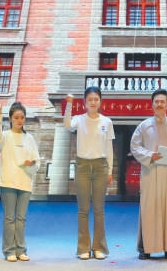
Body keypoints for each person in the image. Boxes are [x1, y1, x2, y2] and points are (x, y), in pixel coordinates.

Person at [130, 88, 167, 260]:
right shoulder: (144, 126)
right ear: (152, 104)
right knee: (149, 208)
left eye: (162, 101)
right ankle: (147, 248)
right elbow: (135, 146)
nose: (159, 104)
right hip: (150, 172)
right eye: (156, 101)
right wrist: (150, 155)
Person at [64, 87, 115, 260]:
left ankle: (99, 247)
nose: (93, 102)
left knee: (99, 210)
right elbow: (66, 125)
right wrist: (69, 104)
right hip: (82, 166)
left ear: (100, 101)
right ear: (85, 102)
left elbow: (109, 148)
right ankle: (83, 248)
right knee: (83, 209)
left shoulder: (107, 122)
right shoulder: (78, 119)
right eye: (90, 99)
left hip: (100, 166)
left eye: (96, 99)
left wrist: (109, 170)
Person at [0, 102, 40, 262]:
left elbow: (37, 160)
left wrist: (32, 164)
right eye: (16, 117)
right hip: (8, 182)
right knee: (9, 218)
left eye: (22, 117)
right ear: (10, 119)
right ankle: (9, 250)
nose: (20, 120)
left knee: (21, 218)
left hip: (25, 182)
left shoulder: (30, 138)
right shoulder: (5, 136)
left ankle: (21, 249)